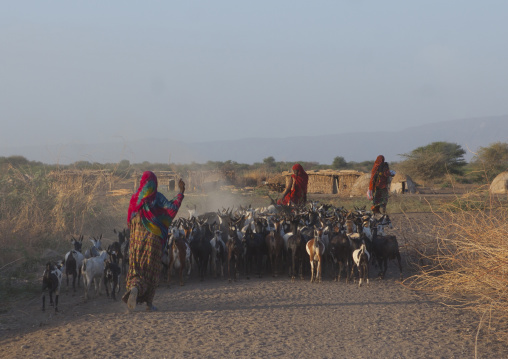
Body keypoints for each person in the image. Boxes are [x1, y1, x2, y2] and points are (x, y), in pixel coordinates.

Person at [122, 171, 185, 311]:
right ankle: (149, 304)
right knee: (151, 270)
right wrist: (180, 193)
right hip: (153, 241)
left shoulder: (134, 199)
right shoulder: (157, 198)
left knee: (136, 268)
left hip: (136, 243)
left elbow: (129, 221)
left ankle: (134, 288)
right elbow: (171, 209)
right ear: (154, 183)